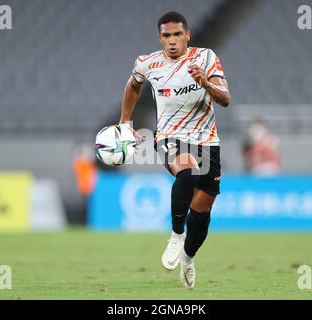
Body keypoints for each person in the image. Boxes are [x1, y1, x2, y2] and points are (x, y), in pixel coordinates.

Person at [119, 11, 231, 288]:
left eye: (177, 34)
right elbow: (134, 85)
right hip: (170, 137)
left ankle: (189, 257)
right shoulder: (147, 63)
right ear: (160, 38)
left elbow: (225, 99)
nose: (172, 41)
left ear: (187, 35)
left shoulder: (205, 58)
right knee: (188, 170)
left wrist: (205, 82)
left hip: (207, 141)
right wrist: (124, 121)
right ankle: (175, 234)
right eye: (166, 36)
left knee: (202, 214)